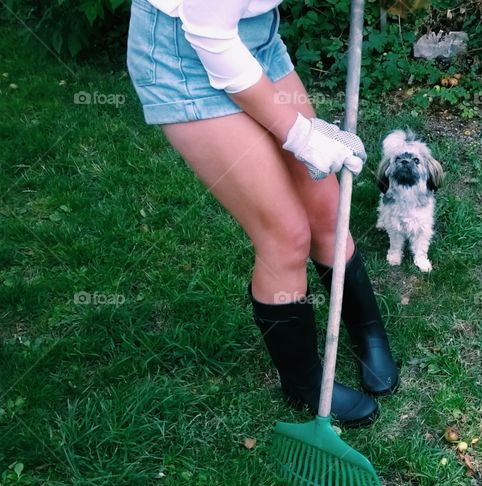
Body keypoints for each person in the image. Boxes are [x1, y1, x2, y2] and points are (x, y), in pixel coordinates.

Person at [126, 0, 398, 426]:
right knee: (285, 233)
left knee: (328, 204)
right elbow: (210, 35)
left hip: (254, 40)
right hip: (188, 53)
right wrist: (301, 135)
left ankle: (368, 332)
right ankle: (304, 383)